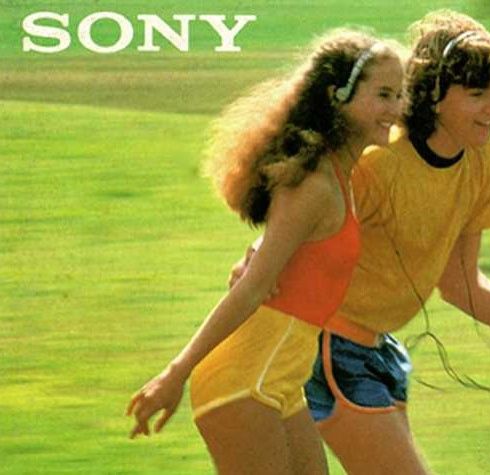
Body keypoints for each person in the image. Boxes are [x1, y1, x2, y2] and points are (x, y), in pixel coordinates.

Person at [229, 11, 490, 475]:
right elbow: (299, 224)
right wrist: (256, 263)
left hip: (381, 353)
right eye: (477, 94)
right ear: (433, 95)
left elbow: (458, 281)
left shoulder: (484, 162)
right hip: (329, 350)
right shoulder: (379, 162)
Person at [125, 29, 404, 474]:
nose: (397, 108)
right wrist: (174, 375)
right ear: (338, 97)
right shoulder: (315, 185)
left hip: (281, 384)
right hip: (242, 383)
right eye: (385, 94)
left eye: (401, 94)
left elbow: (290, 247)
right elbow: (253, 288)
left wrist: (257, 249)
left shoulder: (342, 176)